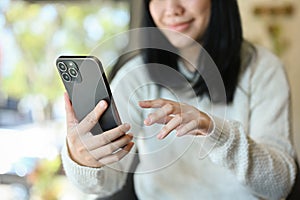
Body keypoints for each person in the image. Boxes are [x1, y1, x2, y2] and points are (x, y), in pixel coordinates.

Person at [61, 0, 297, 199]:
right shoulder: (135, 75)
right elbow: (108, 181)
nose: (172, 8)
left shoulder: (262, 68)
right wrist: (82, 160)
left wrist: (215, 132)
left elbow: (280, 185)